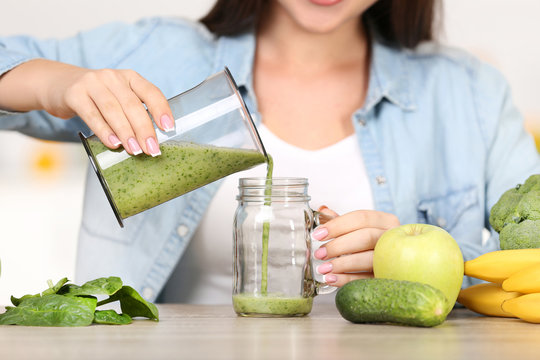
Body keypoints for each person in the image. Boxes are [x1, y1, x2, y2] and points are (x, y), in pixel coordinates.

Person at [1, 0, 539, 305]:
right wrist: (56, 83)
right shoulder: (159, 56)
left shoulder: (470, 95)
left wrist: (430, 264)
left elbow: (530, 262)